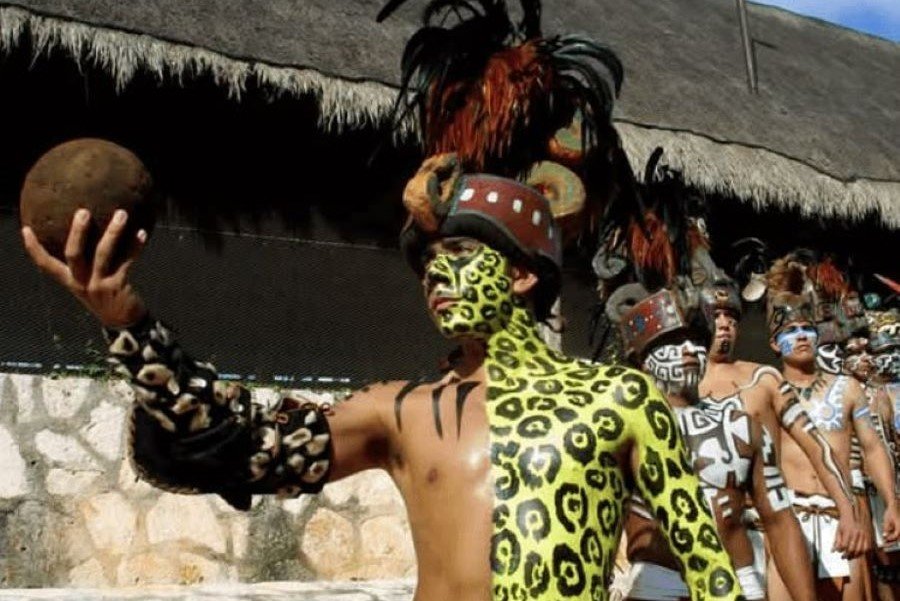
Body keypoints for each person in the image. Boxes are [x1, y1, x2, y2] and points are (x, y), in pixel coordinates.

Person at [21, 155, 745, 600]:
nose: (434, 275)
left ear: (523, 274)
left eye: (457, 254)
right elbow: (237, 447)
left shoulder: (619, 397)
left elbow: (708, 563)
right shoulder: (399, 412)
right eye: (427, 263)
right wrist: (127, 320)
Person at [616, 287, 816, 601]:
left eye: (696, 341)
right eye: (672, 342)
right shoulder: (622, 431)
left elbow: (780, 521)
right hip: (655, 585)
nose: (687, 350)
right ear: (640, 361)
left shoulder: (741, 427)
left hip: (738, 582)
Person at [699, 278, 869, 588]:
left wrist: (847, 510)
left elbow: (816, 446)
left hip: (767, 529)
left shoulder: (763, 379)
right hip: (693, 535)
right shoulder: (672, 385)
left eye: (732, 317)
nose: (725, 324)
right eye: (716, 314)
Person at [764, 256, 900, 601]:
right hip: (789, 517)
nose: (801, 337)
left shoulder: (847, 387)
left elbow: (872, 448)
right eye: (790, 332)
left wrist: (891, 502)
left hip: (842, 515)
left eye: (806, 329)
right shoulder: (765, 391)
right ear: (774, 344)